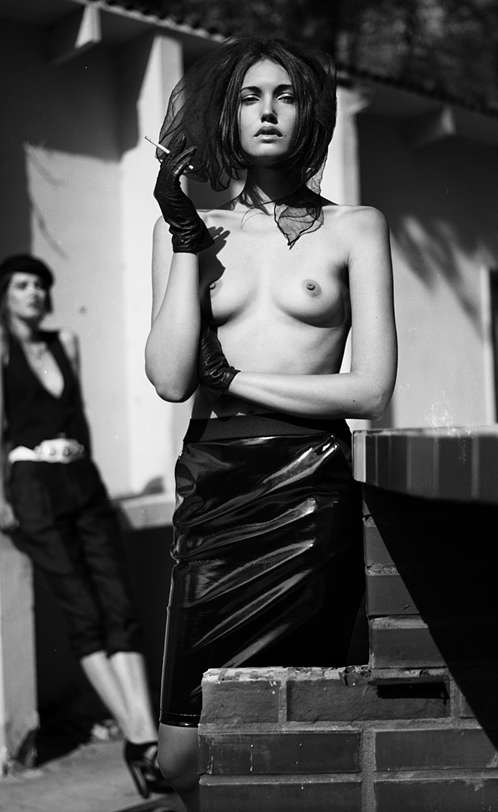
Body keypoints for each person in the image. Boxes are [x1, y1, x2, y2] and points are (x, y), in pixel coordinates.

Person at [145, 37, 398, 811]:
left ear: (307, 113)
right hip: (216, 489)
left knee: (297, 723)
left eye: (284, 95)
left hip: (310, 486)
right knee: (181, 752)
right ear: (227, 115)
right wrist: (185, 239)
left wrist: (237, 380)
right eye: (250, 96)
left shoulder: (358, 227)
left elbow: (371, 388)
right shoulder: (192, 230)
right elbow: (170, 378)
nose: (267, 111)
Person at [0, 255, 167, 799]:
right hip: (33, 486)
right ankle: (140, 739)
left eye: (40, 285)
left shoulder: (67, 342)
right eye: (22, 285)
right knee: (84, 611)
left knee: (119, 604)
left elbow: (79, 414)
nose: (34, 292)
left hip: (83, 481)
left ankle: (145, 736)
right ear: (5, 294)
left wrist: (90, 476)